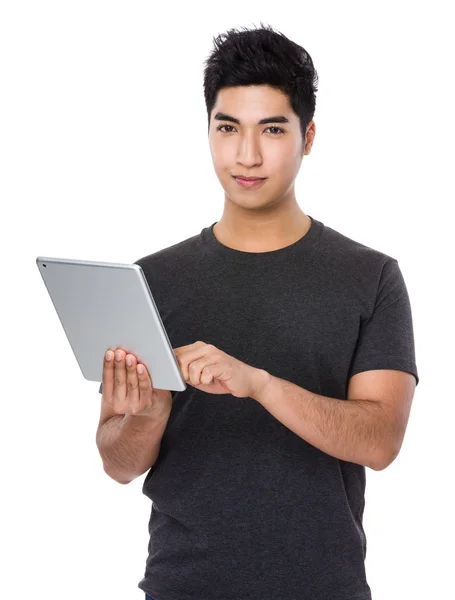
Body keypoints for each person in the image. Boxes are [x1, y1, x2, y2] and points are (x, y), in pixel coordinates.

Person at [96, 23, 419, 600]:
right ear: (209, 133)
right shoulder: (150, 280)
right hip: (180, 587)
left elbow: (380, 441)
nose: (246, 155)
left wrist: (260, 384)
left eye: (272, 129)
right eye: (228, 129)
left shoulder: (371, 277)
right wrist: (148, 413)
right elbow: (117, 463)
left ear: (308, 135)